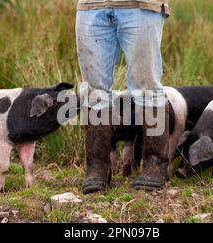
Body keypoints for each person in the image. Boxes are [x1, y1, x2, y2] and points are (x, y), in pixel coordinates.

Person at [76, 0, 170, 194]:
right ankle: (97, 168)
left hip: (141, 6)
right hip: (91, 5)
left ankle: (155, 165)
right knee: (93, 91)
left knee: (147, 86)